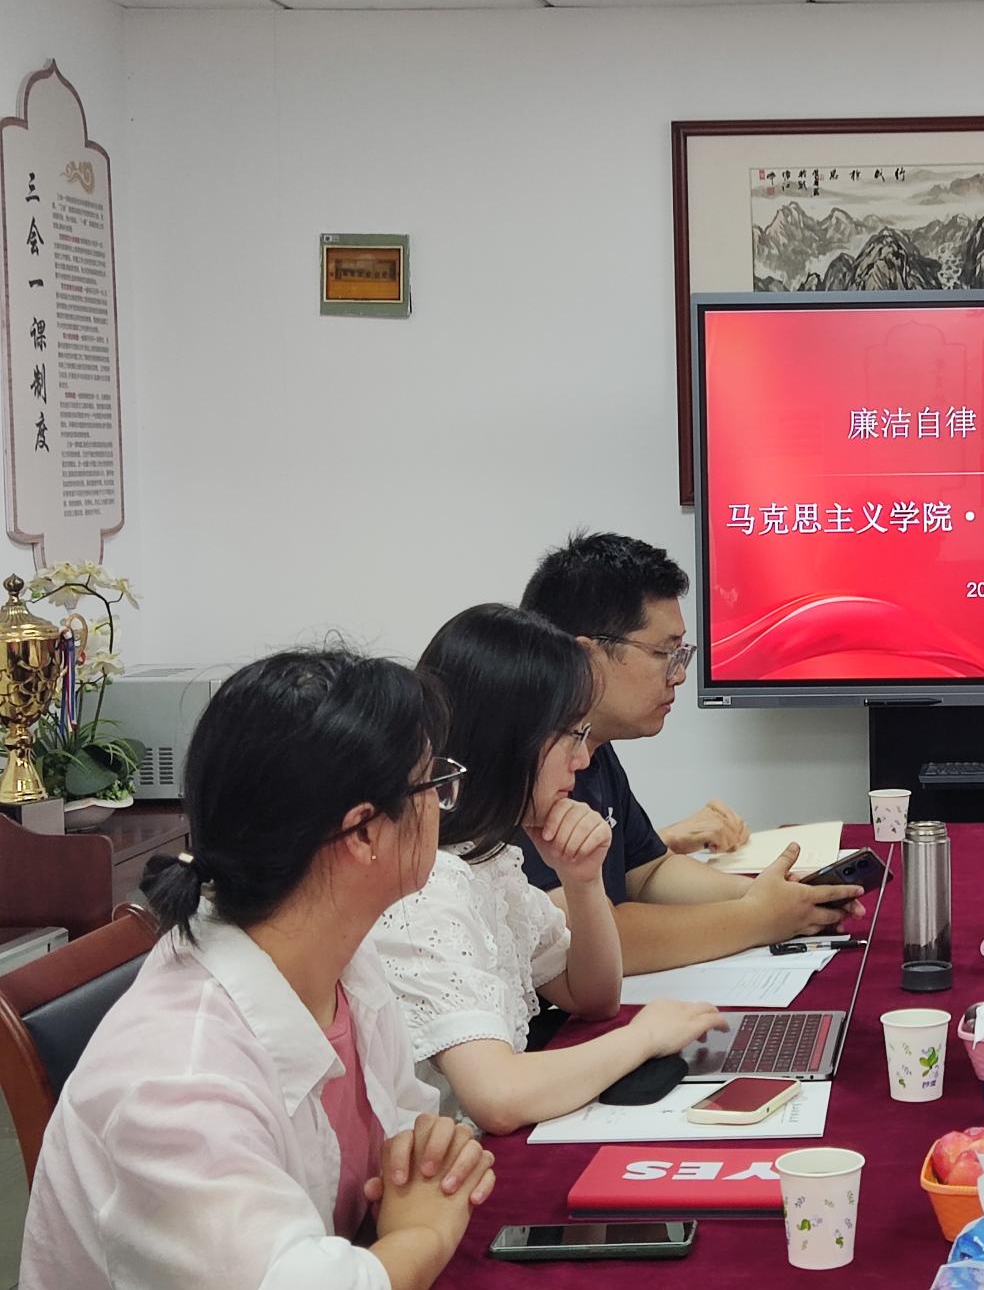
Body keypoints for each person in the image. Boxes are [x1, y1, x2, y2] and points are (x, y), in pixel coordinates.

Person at [23, 649, 495, 1290]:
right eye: (430, 783)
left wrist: (429, 1154)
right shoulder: (177, 1079)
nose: (442, 803)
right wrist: (424, 1235)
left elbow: (405, 1131)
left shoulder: (339, 958)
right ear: (362, 833)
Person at [370, 604, 727, 1133]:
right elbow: (498, 1097)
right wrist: (644, 1037)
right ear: (506, 741)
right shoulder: (429, 885)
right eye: (571, 736)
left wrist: (582, 881)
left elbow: (592, 997)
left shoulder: (488, 858)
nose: (582, 761)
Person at [519, 532, 863, 972]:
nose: (678, 675)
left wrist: (775, 895)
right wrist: (758, 918)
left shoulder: (592, 745)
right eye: (664, 652)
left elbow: (649, 871)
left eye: (681, 653)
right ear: (587, 656)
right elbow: (583, 940)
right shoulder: (525, 761)